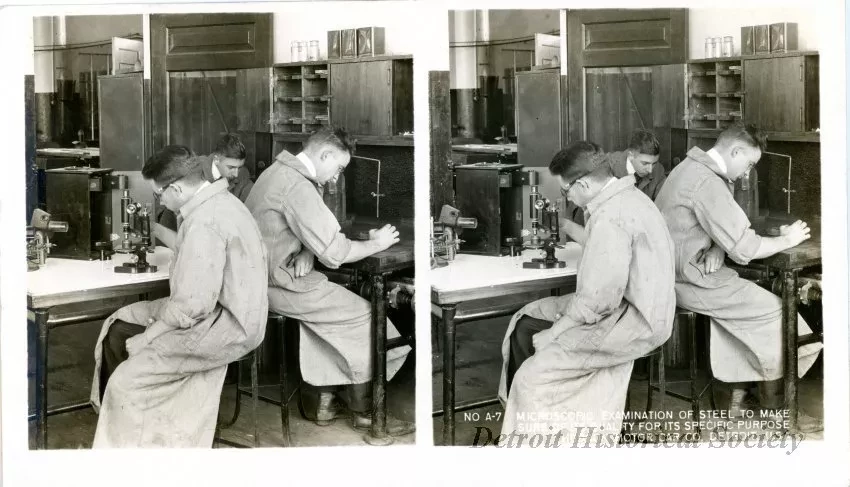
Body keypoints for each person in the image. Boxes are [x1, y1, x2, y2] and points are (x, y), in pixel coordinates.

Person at [497, 140, 676, 446]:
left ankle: (546, 446)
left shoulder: (610, 216)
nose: (568, 198)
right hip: (634, 306)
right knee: (526, 320)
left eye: (566, 192)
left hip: (632, 319)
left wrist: (556, 334)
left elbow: (598, 301)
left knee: (532, 377)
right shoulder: (627, 197)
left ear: (581, 184)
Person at [88, 147, 269, 447]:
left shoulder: (204, 222)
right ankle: (150, 429)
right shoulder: (219, 203)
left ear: (176, 187)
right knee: (118, 322)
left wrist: (149, 337)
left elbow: (192, 306)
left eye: (160, 194)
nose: (161, 201)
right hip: (219, 309)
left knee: (125, 384)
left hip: (226, 323)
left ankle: (136, 456)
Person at [244, 126, 414, 436]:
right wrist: (378, 243)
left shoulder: (276, 172)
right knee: (368, 315)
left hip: (261, 278)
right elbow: (336, 252)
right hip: (278, 284)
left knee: (328, 312)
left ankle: (322, 403)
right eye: (338, 167)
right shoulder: (297, 186)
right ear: (324, 155)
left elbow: (297, 229)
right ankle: (365, 413)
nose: (337, 176)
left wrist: (309, 249)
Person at [654, 122, 823, 431]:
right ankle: (782, 410)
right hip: (688, 281)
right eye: (748, 163)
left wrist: (719, 245)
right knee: (778, 311)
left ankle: (738, 396)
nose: (747, 172)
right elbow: (746, 247)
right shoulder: (708, 182)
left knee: (744, 307)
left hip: (671, 275)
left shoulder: (689, 168)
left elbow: (705, 224)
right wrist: (788, 239)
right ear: (734, 151)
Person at [562, 129, 667, 246]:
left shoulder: (658, 171)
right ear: (631, 155)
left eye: (654, 163)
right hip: (594, 232)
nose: (650, 170)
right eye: (645, 163)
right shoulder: (603, 166)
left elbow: (660, 209)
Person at [156, 133, 253, 238]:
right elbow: (169, 200)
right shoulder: (192, 168)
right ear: (216, 159)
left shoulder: (242, 177)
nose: (236, 174)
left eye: (239, 167)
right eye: (231, 167)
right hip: (178, 231)